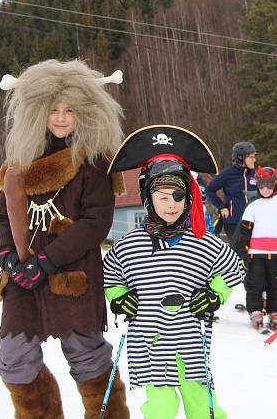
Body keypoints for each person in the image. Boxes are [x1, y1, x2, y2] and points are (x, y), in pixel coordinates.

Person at [0, 60, 129, 418]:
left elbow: (95, 223)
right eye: (53, 109)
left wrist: (46, 261)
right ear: (38, 110)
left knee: (88, 357)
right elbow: (3, 214)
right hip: (22, 276)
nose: (61, 117)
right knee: (13, 360)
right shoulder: (20, 159)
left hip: (73, 275)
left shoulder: (96, 161)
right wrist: (8, 256)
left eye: (70, 109)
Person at [103, 125, 245, 418]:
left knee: (201, 405)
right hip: (150, 340)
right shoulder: (130, 245)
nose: (171, 205)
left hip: (190, 340)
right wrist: (119, 297)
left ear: (188, 198)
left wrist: (214, 294)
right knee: (161, 408)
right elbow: (110, 275)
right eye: (163, 197)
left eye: (178, 197)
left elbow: (232, 269)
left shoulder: (201, 239)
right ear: (148, 198)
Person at [234, 166, 277, 331]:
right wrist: (243, 251)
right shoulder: (254, 206)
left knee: (274, 285)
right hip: (256, 254)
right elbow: (245, 230)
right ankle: (255, 310)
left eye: (269, 185)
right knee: (255, 283)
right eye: (262, 186)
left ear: (275, 185)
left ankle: (274, 312)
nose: (265, 189)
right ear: (257, 185)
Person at [205, 141, 256, 240]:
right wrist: (221, 207)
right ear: (240, 158)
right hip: (233, 222)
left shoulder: (257, 174)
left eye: (254, 156)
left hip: (253, 221)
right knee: (238, 251)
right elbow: (209, 190)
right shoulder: (227, 174)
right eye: (251, 157)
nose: (254, 160)